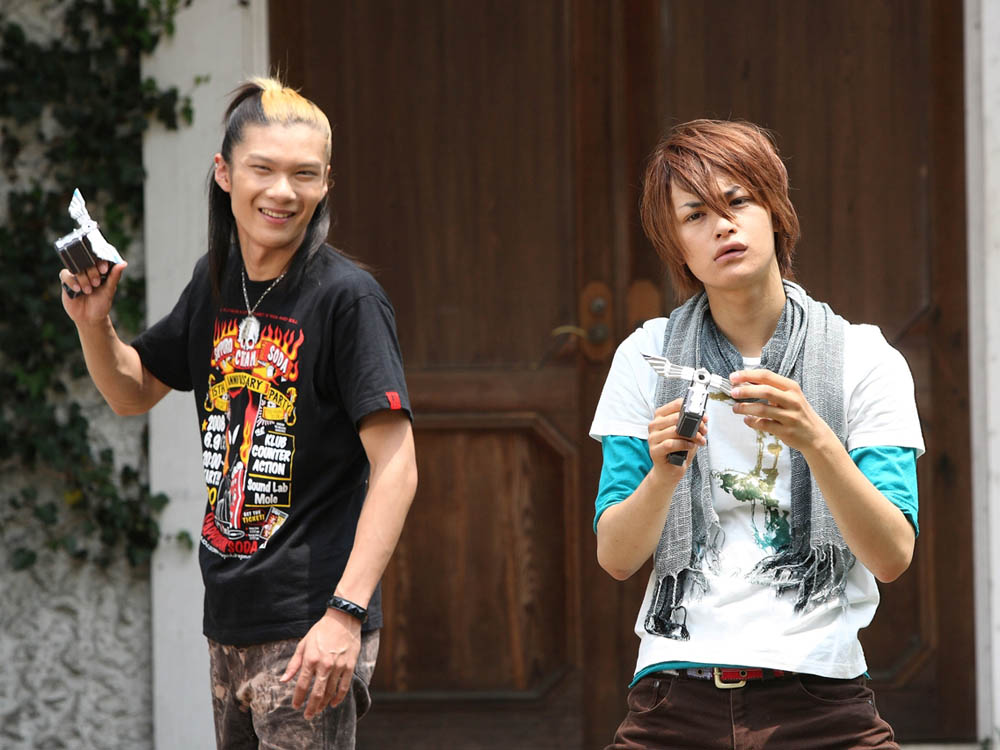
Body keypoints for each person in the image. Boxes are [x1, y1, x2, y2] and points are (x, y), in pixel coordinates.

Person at [59, 77, 418, 749]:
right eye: (263, 169)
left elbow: (397, 466)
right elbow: (133, 391)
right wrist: (94, 323)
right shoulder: (216, 281)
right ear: (225, 173)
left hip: (311, 622)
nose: (283, 191)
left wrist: (345, 614)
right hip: (230, 614)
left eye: (304, 174)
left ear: (326, 183)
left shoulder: (348, 298)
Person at [590, 119, 922, 749]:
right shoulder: (648, 359)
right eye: (694, 216)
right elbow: (617, 557)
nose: (722, 226)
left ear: (775, 211)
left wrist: (816, 439)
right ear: (677, 247)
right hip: (675, 689)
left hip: (821, 690)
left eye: (737, 201)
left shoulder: (865, 358)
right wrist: (663, 472)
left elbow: (892, 555)